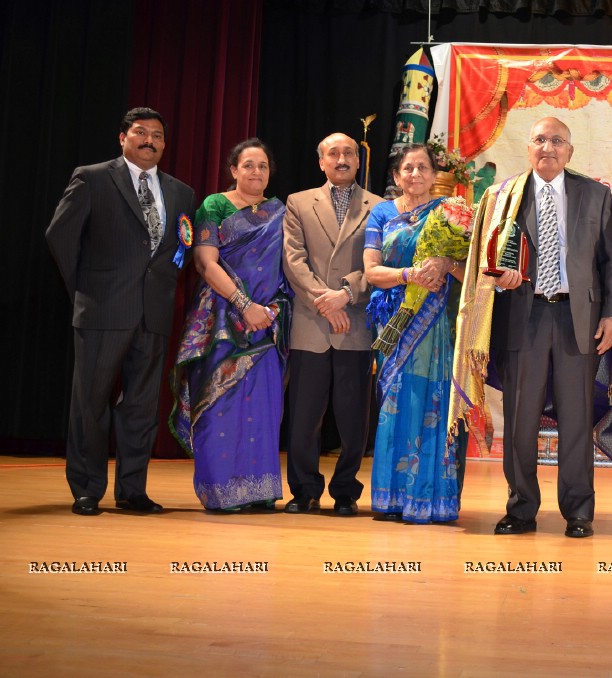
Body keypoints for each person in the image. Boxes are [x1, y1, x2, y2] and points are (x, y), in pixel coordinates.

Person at [465, 117, 612, 538]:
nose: (548, 147)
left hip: (580, 319)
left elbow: (611, 262)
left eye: (557, 141)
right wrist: (497, 276)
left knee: (576, 418)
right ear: (528, 147)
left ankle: (578, 512)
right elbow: (486, 256)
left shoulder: (596, 195)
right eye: (540, 140)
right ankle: (521, 509)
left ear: (570, 150)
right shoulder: (503, 197)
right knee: (520, 419)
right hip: (523, 317)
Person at [45, 107, 196, 516]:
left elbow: (180, 249)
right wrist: (86, 288)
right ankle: (87, 488)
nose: (150, 140)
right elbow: (60, 236)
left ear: (165, 143)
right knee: (89, 403)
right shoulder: (92, 177)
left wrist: (164, 285)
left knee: (142, 406)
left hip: (154, 314)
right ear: (123, 138)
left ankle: (133, 490)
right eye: (141, 132)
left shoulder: (182, 192)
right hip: (101, 311)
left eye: (158, 135)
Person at [169, 139, 292, 512]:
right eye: (248, 165)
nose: (256, 172)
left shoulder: (279, 212)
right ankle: (221, 493)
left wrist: (267, 310)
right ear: (233, 170)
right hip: (221, 320)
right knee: (219, 403)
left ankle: (259, 491)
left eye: (263, 166)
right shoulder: (215, 205)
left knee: (264, 406)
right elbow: (206, 263)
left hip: (266, 323)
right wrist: (244, 305)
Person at [363, 144, 467, 523]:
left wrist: (445, 263)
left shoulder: (449, 213)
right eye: (408, 168)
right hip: (393, 317)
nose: (415, 174)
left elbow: (468, 271)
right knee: (395, 399)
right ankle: (391, 498)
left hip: (435, 321)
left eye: (423, 168)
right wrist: (409, 275)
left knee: (431, 401)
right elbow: (371, 271)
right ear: (396, 176)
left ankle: (430, 499)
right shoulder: (382, 213)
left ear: (434, 174)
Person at [281, 132, 383, 516]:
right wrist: (325, 302)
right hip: (311, 323)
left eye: (349, 153)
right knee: (304, 417)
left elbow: (379, 261)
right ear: (321, 161)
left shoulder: (381, 207)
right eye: (333, 153)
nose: (341, 159)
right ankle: (303, 490)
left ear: (358, 161)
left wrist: (346, 293)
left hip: (354, 324)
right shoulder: (298, 202)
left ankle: (345, 492)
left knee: (353, 417)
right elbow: (293, 260)